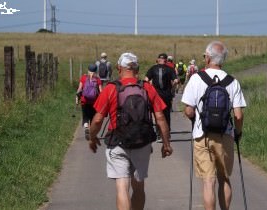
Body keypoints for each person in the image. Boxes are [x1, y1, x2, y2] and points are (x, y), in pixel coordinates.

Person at [88, 52, 173, 210]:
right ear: (137, 69)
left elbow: (98, 120)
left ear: (119, 68)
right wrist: (166, 143)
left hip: (117, 143)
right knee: (139, 188)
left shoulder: (111, 88)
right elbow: (160, 117)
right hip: (142, 143)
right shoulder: (147, 88)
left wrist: (92, 138)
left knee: (122, 187)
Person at [181, 41, 246, 210]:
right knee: (224, 178)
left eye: (204, 56)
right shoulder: (233, 82)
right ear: (222, 60)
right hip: (225, 135)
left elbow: (188, 110)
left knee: (208, 181)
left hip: (202, 135)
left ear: (208, 58)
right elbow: (238, 115)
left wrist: (195, 119)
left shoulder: (196, 79)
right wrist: (237, 133)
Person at [145, 53, 178, 135]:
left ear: (158, 59)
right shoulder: (170, 69)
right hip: (167, 95)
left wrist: (150, 88)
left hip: (156, 95)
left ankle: (159, 132)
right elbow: (176, 81)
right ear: (166, 60)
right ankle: (167, 132)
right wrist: (172, 88)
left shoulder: (153, 68)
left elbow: (146, 80)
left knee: (157, 114)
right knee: (166, 114)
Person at [76, 64, 103, 140]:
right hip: (94, 102)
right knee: (93, 118)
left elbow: (79, 89)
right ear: (96, 71)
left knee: (85, 117)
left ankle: (86, 128)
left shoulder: (84, 78)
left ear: (88, 70)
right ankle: (92, 132)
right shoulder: (97, 79)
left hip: (84, 101)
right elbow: (101, 91)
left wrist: (77, 98)